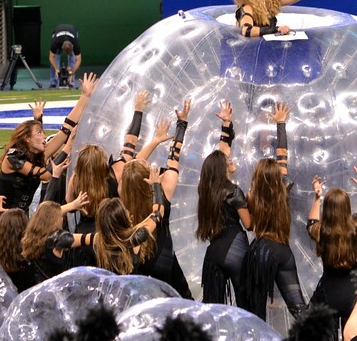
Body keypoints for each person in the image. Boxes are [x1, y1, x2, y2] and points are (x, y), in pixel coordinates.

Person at [0, 73, 97, 215]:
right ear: (27, 139)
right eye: (40, 133)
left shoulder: (36, 155)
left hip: (19, 217)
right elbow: (47, 175)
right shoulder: (13, 156)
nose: (45, 137)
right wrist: (67, 148)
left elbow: (65, 130)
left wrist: (85, 97)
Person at [242, 102, 308, 321]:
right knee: (299, 308)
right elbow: (282, 154)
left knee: (254, 310)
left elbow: (249, 225)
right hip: (283, 250)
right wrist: (281, 123)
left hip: (261, 251)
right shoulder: (283, 188)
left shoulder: (251, 196)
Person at [121, 98, 192, 298]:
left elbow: (131, 165)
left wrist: (154, 140)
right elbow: (173, 158)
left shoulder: (122, 195)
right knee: (183, 300)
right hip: (163, 255)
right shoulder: (164, 187)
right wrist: (182, 125)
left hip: (138, 259)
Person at [306, 165, 357, 340]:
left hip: (327, 293)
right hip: (352, 293)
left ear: (328, 208)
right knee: (351, 339)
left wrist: (317, 197)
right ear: (347, 207)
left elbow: (310, 224)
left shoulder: (321, 231)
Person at [196, 100, 252, 306]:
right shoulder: (234, 192)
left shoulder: (206, 190)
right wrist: (252, 202)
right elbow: (249, 225)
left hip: (213, 254)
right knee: (246, 306)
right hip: (236, 250)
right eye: (228, 161)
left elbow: (222, 153)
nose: (231, 160)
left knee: (215, 309)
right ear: (223, 168)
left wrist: (226, 125)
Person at [49, 23, 82, 88]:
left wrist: (72, 74)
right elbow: (51, 57)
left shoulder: (75, 43)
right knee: (56, 58)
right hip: (58, 32)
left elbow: (78, 60)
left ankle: (71, 82)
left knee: (72, 59)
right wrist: (56, 69)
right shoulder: (55, 42)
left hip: (72, 31)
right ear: (62, 47)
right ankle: (53, 82)